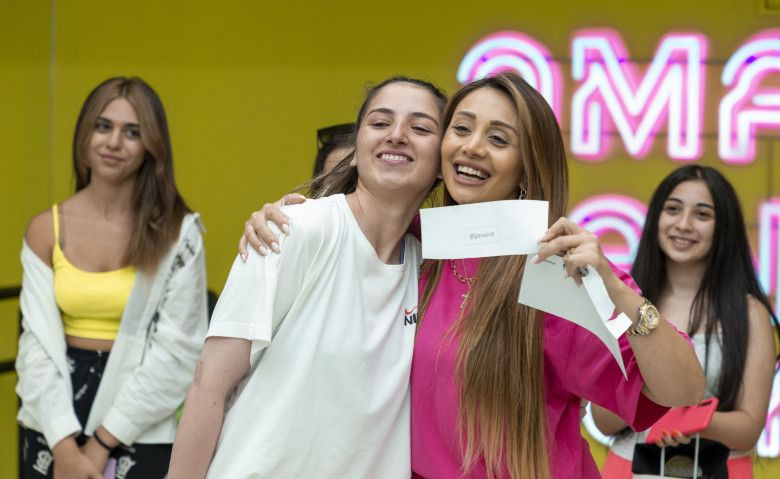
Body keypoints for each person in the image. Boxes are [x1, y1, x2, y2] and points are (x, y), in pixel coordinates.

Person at [240, 72, 705, 478]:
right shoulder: (407, 244)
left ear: (527, 167)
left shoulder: (557, 269)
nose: (473, 147)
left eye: (499, 139)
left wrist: (616, 290)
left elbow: (682, 390)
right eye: (461, 128)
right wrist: (290, 217)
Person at [168, 76, 447, 478]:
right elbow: (208, 383)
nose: (397, 135)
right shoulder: (292, 230)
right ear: (356, 151)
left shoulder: (431, 270)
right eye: (380, 123)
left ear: (442, 161)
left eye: (420, 128)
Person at [16, 77, 208, 479]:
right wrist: (65, 447)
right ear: (85, 133)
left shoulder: (178, 234)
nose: (114, 142)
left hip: (140, 419)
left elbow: (178, 352)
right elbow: (35, 345)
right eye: (103, 126)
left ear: (151, 146)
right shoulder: (45, 229)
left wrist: (100, 444)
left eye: (132, 132)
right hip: (53, 421)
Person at [593, 165, 780, 478]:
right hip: (628, 468)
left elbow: (748, 430)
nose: (683, 224)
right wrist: (663, 406)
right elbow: (604, 420)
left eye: (702, 214)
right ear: (656, 217)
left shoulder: (750, 313)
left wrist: (688, 420)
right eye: (673, 209)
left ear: (724, 227)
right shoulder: (624, 302)